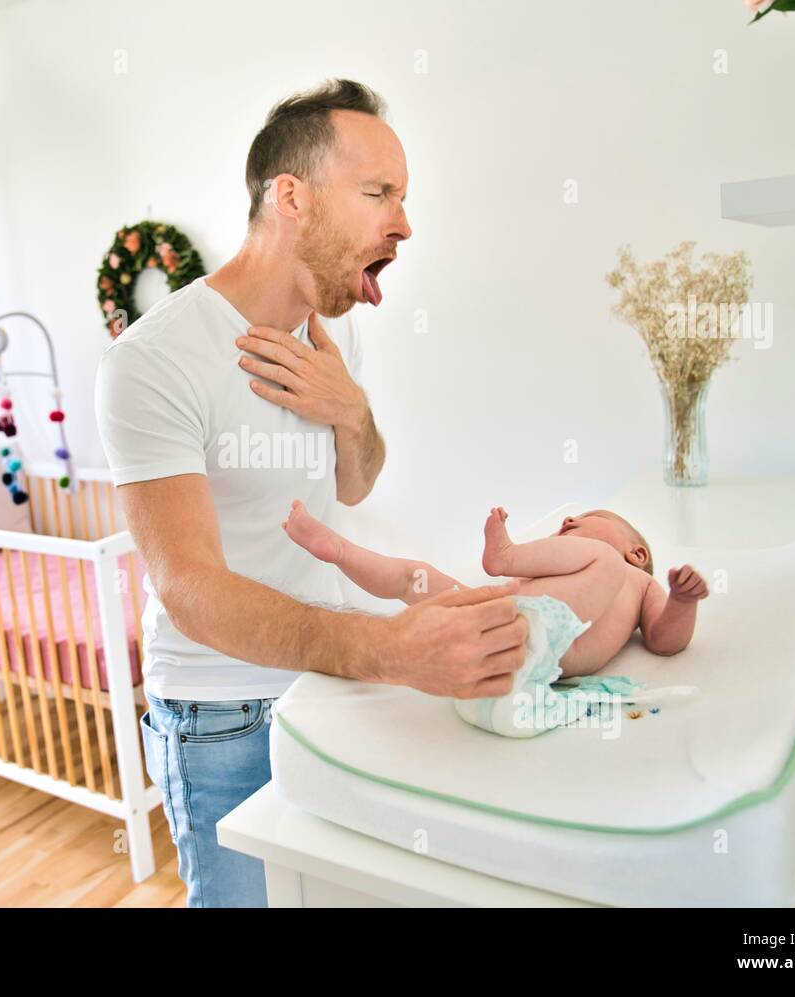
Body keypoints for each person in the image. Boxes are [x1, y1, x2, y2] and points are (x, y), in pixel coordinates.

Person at [94, 79, 528, 907]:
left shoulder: (338, 334)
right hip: (219, 716)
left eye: (403, 198)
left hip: (317, 686)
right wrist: (389, 648)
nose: (404, 222)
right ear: (290, 196)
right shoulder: (154, 360)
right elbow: (191, 590)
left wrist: (350, 410)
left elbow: (355, 483)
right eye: (379, 194)